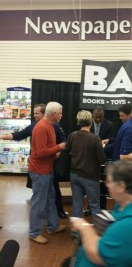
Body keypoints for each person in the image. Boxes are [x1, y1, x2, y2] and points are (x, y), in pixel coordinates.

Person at [65, 161, 132, 267]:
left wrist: (84, 227)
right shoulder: (129, 200)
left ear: (121, 186)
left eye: (109, 181)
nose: (106, 185)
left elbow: (98, 255)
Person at [0, 103, 67, 218]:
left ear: (44, 113)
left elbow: (63, 141)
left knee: (52, 191)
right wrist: (3, 136)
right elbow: (20, 135)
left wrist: (58, 151)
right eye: (34, 113)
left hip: (50, 165)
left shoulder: (54, 126)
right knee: (40, 197)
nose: (35, 115)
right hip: (40, 168)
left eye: (37, 113)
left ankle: (58, 212)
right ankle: (37, 229)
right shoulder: (37, 126)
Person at [29, 102, 66, 244]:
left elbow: (45, 149)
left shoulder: (50, 126)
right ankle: (34, 233)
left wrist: (54, 151)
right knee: (38, 203)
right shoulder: (41, 128)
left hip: (47, 169)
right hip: (39, 172)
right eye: (60, 113)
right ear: (53, 114)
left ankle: (52, 226)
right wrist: (58, 148)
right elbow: (39, 153)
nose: (62, 115)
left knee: (50, 198)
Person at [64, 110, 105, 219]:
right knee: (95, 205)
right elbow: (102, 159)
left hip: (74, 174)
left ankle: (76, 233)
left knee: (77, 204)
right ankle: (97, 233)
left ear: (78, 121)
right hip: (90, 176)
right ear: (91, 121)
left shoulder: (72, 135)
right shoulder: (95, 138)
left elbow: (66, 152)